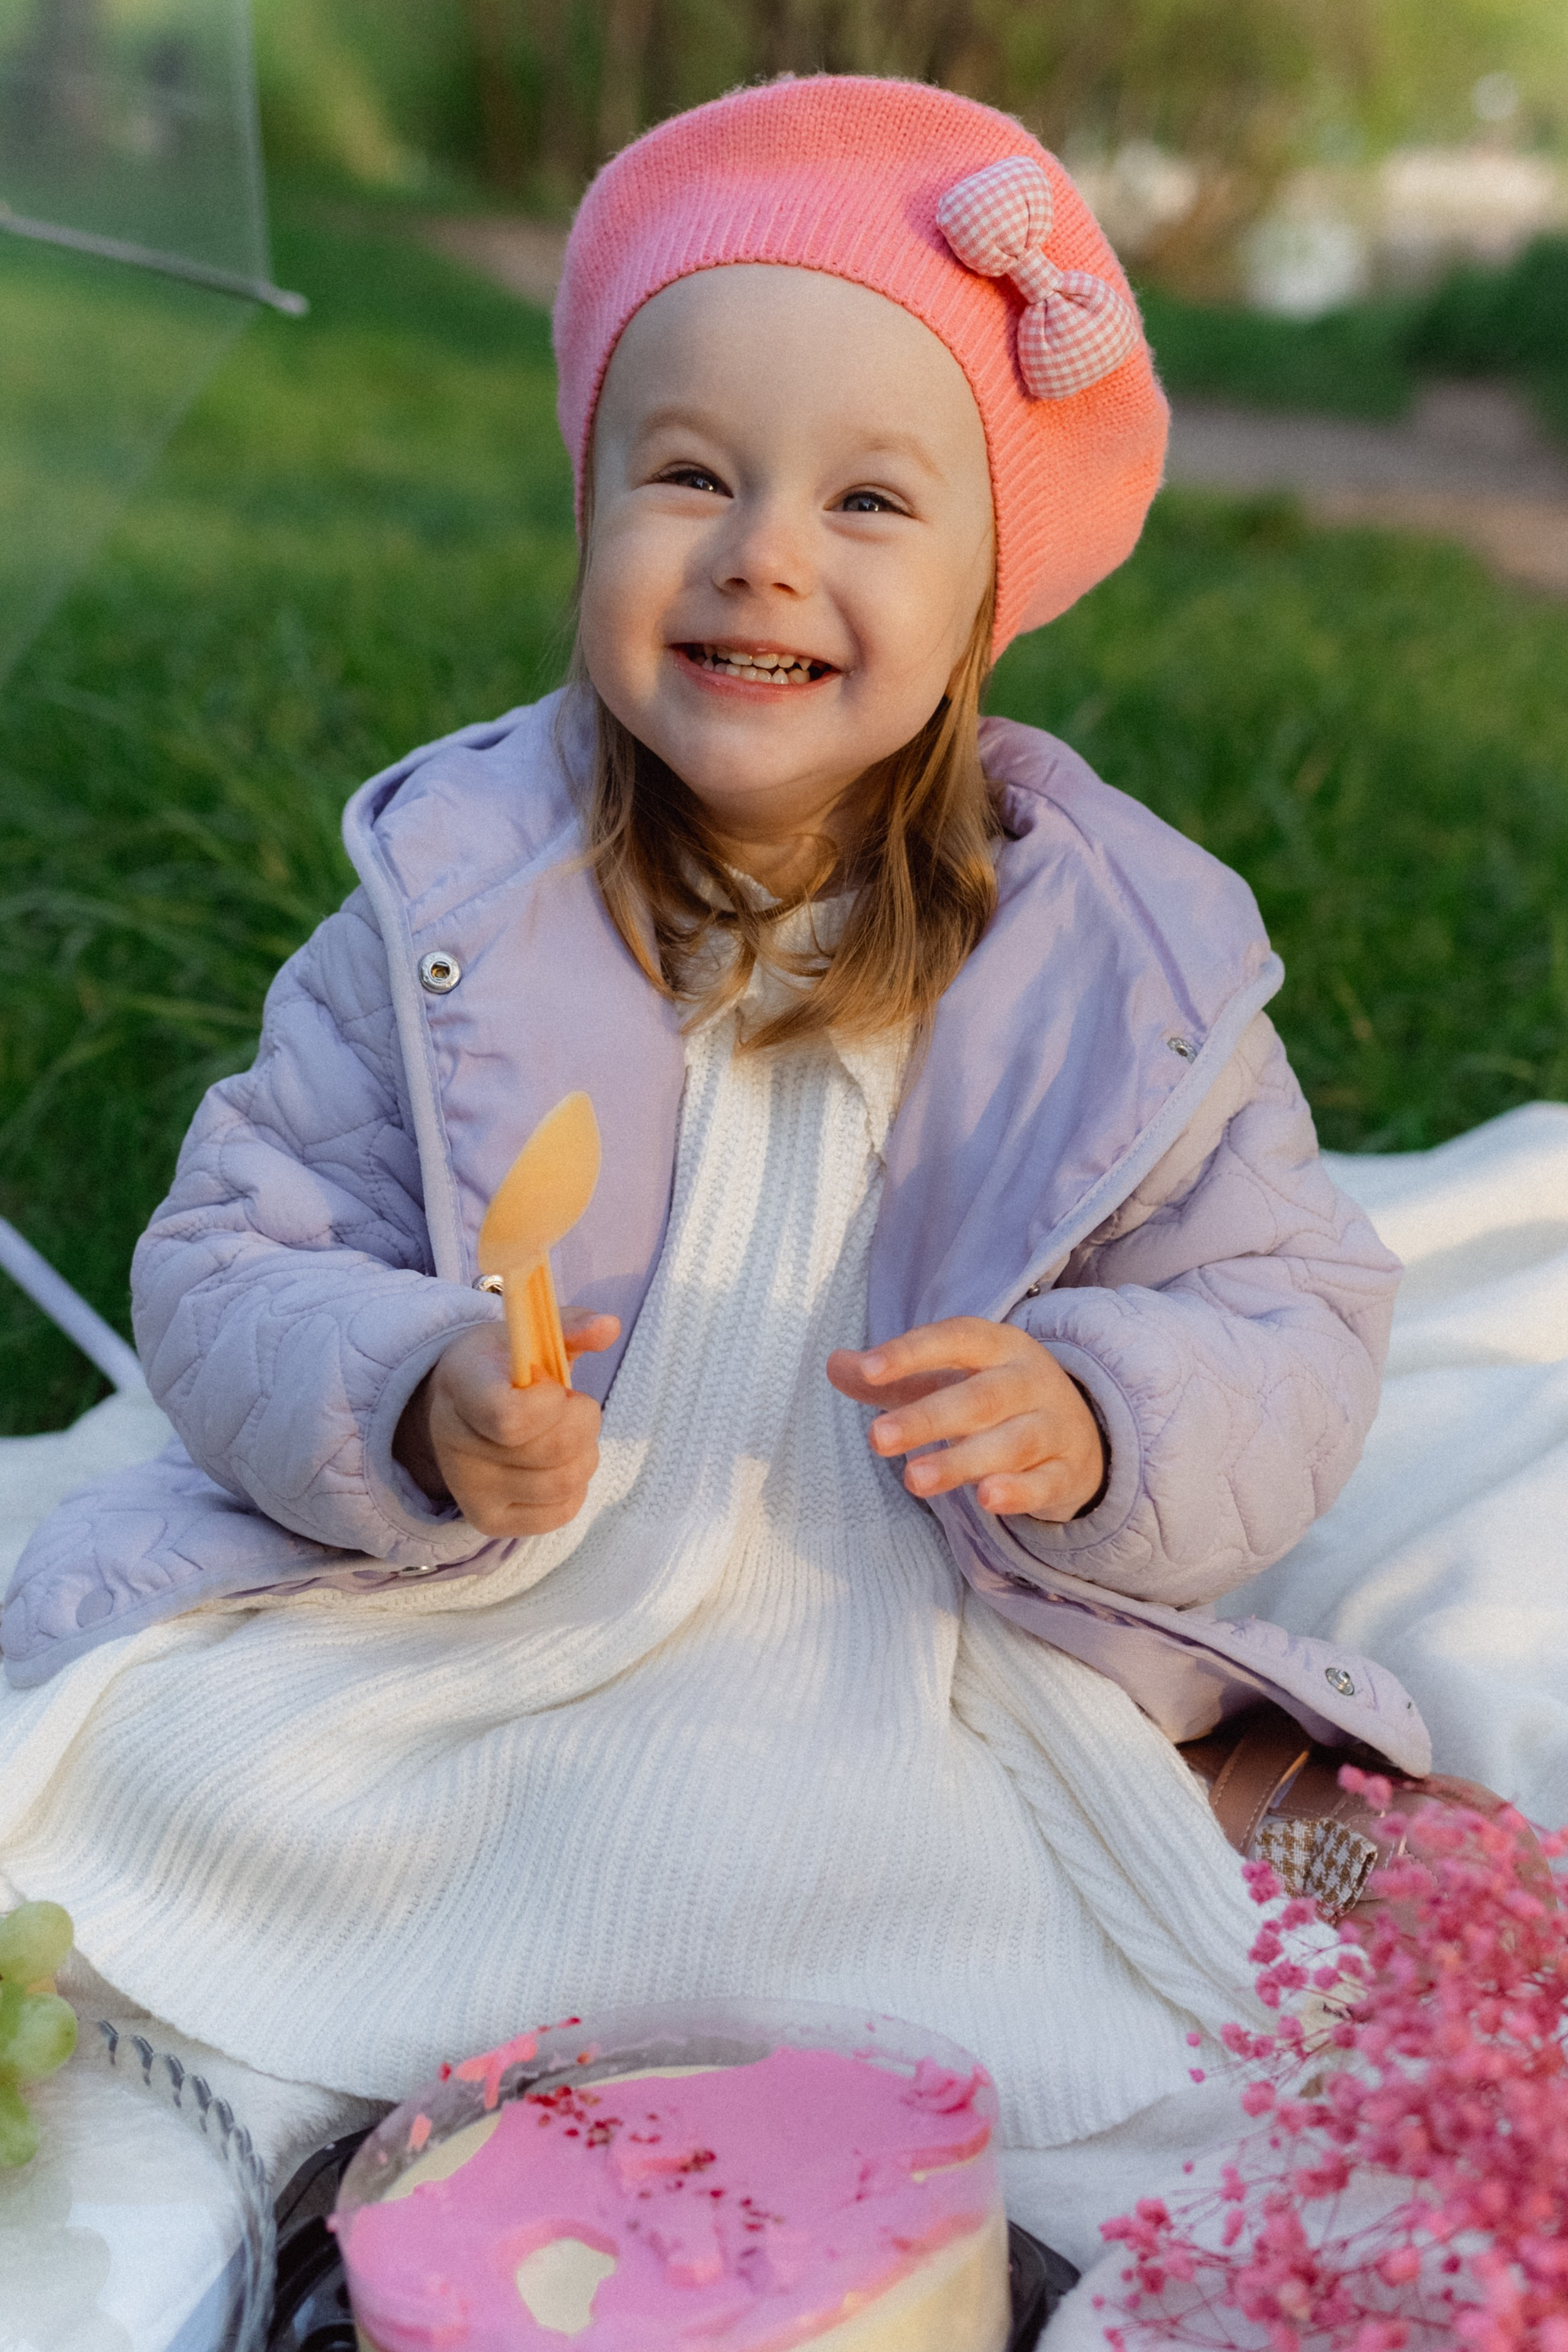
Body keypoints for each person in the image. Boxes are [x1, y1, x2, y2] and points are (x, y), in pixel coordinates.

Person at [0, 75, 1422, 2277]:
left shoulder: (1111, 964)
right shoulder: (459, 902)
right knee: (218, 1837)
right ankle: (302, 2198)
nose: (765, 548)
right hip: (504, 1603)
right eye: (688, 473)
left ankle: (916, 2234)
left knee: (1066, 1958)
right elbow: (232, 1245)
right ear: (586, 515)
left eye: (871, 498)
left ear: (987, 593)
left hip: (897, 1626)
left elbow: (1294, 1315)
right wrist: (409, 1389)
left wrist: (1099, 1411)